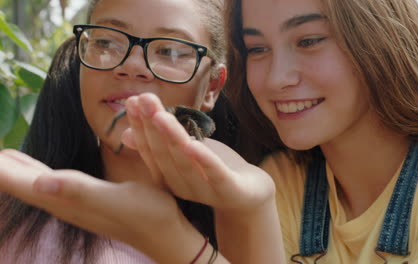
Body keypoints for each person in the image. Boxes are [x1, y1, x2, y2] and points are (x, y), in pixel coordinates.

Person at [1, 0, 418, 263]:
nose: (277, 77)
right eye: (257, 49)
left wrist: (173, 238)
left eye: (308, 40)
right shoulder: (287, 182)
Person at [0, 0, 286, 263]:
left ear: (211, 87)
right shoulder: (15, 218)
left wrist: (252, 208)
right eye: (106, 42)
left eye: (170, 51)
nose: (132, 65)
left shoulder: (267, 212)